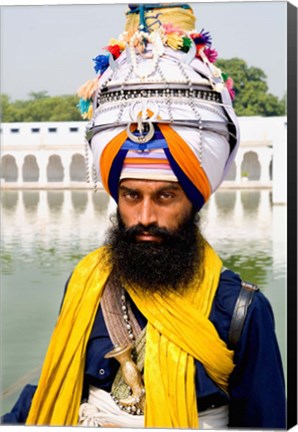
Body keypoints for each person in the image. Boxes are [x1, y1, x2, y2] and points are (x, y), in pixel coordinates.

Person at [2, 3, 286, 429]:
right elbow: (57, 390)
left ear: (194, 198)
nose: (145, 215)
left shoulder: (241, 311)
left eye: (166, 196)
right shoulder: (87, 285)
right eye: (131, 195)